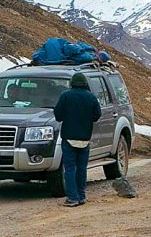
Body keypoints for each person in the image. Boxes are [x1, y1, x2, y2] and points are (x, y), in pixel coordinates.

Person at [53, 73, 101, 207]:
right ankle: (81, 196)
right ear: (85, 83)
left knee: (69, 169)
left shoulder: (66, 96)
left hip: (69, 138)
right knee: (82, 168)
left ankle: (72, 198)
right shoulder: (91, 97)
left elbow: (58, 115)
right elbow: (97, 115)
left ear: (72, 83)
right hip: (85, 138)